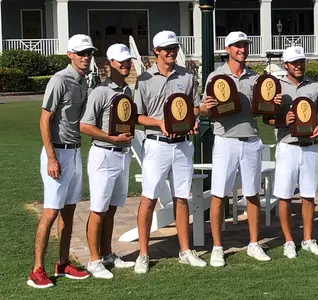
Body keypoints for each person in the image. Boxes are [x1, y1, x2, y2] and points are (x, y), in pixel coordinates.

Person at [200, 31, 279, 267]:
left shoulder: (256, 78)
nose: (242, 49)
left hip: (251, 139)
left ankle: (254, 244)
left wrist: (272, 104)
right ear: (228, 49)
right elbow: (205, 109)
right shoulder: (216, 77)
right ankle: (217, 247)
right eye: (237, 46)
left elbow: (262, 110)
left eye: (244, 45)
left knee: (253, 193)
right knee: (218, 195)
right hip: (225, 140)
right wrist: (205, 107)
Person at [133, 30, 204, 274]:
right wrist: (159, 123)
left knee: (181, 197)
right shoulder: (143, 79)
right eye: (166, 49)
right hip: (156, 143)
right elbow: (137, 116)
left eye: (174, 47)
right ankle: (143, 254)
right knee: (149, 198)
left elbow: (194, 107)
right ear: (156, 52)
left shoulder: (187, 76)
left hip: (183, 144)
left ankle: (185, 250)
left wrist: (193, 120)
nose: (171, 52)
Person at [28, 34, 95, 288]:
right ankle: (36, 270)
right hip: (57, 153)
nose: (86, 57)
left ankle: (63, 263)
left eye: (88, 52)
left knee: (69, 210)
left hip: (75, 151)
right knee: (50, 212)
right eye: (81, 53)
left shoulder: (82, 80)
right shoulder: (60, 79)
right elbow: (45, 119)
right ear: (70, 55)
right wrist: (52, 158)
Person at [262, 46, 318, 259]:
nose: (299, 66)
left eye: (301, 61)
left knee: (309, 195)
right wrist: (283, 120)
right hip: (287, 145)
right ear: (286, 65)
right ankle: (289, 240)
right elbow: (267, 119)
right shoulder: (277, 87)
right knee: (285, 195)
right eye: (294, 63)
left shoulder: (316, 87)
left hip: (310, 146)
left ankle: (308, 239)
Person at [80, 43, 137, 279]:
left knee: (112, 210)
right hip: (104, 154)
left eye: (128, 61)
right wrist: (112, 137)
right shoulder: (100, 92)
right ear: (109, 65)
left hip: (122, 155)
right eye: (120, 61)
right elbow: (85, 125)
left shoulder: (127, 91)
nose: (126, 64)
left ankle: (107, 253)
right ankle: (94, 261)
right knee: (98, 210)